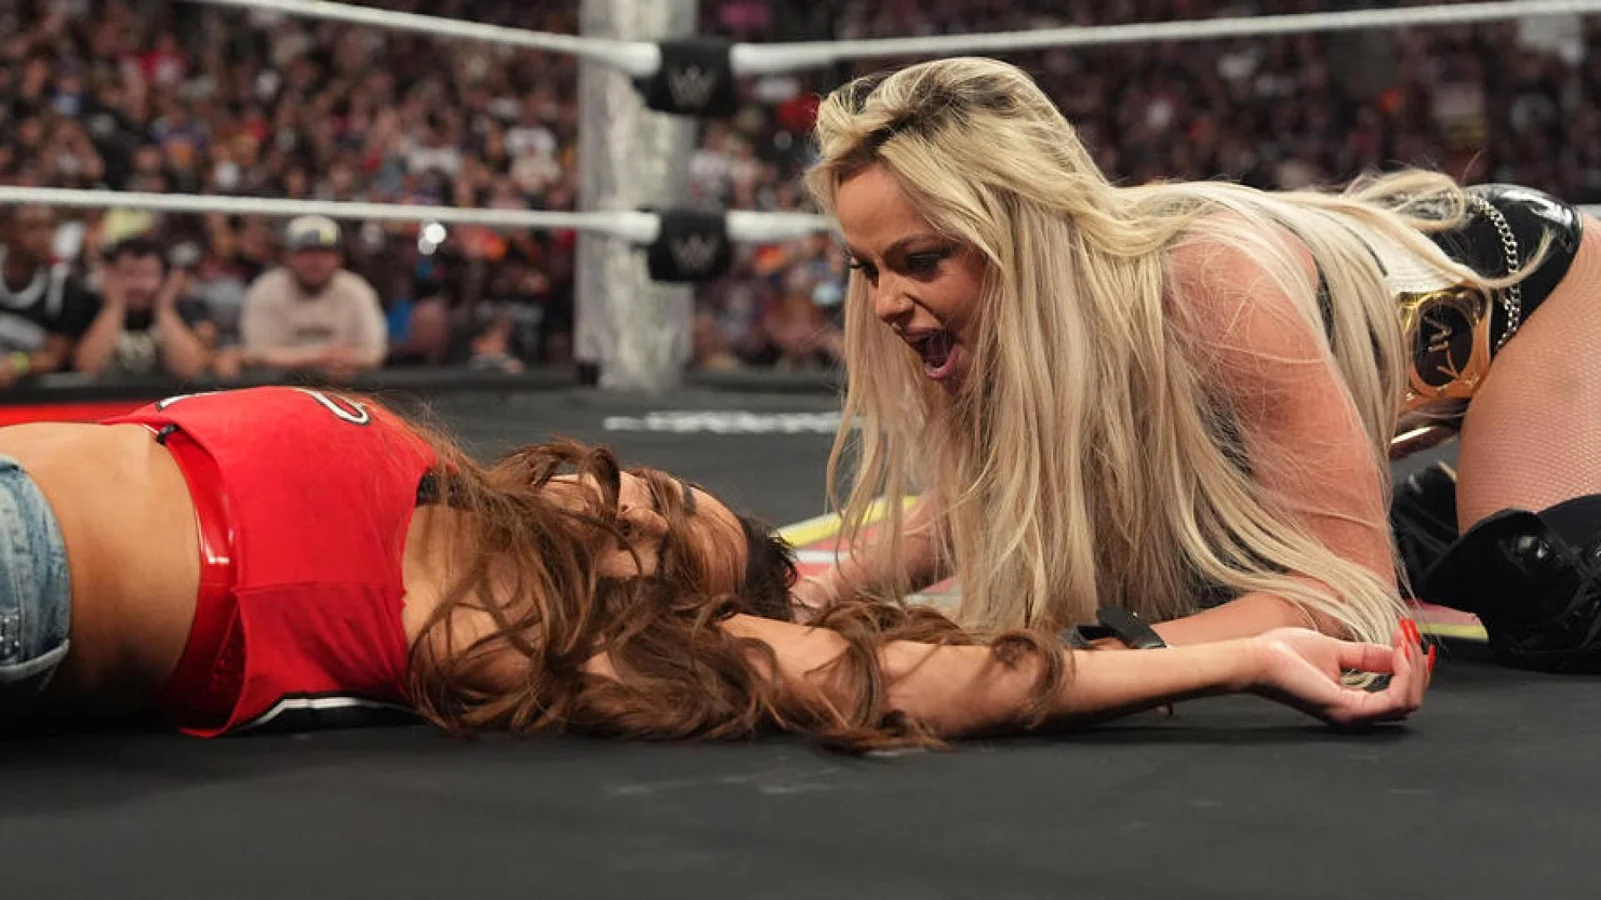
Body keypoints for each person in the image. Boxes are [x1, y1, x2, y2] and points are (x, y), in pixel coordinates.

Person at [0, 385, 1424, 745]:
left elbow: (906, 677)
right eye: (660, 500)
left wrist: (1231, 655)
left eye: (647, 562)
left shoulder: (523, 629)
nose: (622, 523)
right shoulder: (428, 474)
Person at [793, 57, 1600, 672]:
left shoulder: (1208, 279)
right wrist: (810, 591)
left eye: (920, 261)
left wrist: (1091, 662)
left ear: (1019, 236)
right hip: (1398, 313)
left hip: (1539, 293)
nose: (884, 304)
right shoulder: (1028, 324)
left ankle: (1434, 528)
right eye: (867, 268)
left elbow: (1348, 598)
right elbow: (981, 498)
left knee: (1549, 608)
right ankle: (1424, 522)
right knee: (1217, 586)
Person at [216, 216, 388, 383]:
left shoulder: (356, 289)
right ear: (287, 256)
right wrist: (322, 357)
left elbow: (374, 353)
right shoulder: (267, 288)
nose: (315, 261)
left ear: (339, 258)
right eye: (305, 253)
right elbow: (256, 351)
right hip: (278, 387)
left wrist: (340, 359)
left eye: (324, 253)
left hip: (345, 389)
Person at [72, 237, 216, 380]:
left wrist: (164, 309)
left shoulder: (185, 307)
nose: (138, 284)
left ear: (165, 278)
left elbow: (190, 370)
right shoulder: (89, 305)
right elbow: (87, 367)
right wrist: (114, 307)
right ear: (111, 275)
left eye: (148, 274)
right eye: (128, 273)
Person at [0, 205, 98, 387]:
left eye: (50, 226)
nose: (44, 236)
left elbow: (56, 355)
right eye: (32, 227)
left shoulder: (65, 285)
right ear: (6, 230)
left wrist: (17, 364)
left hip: (28, 394)